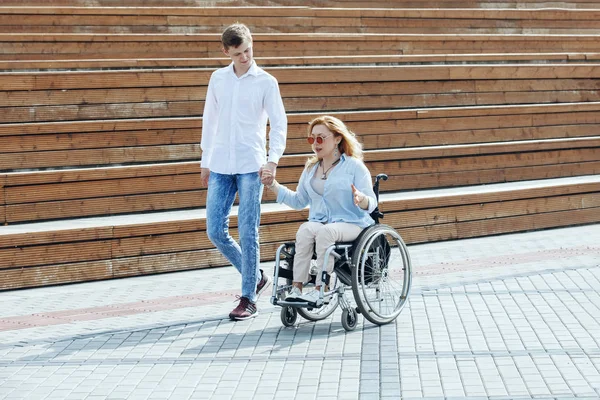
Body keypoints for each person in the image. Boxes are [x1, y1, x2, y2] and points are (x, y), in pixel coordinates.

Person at [201, 23, 287, 320]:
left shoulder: (266, 82)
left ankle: (248, 297)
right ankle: (255, 276)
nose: (245, 57)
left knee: (249, 232)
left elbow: (278, 123)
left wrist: (273, 160)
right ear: (225, 51)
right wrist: (205, 160)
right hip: (221, 165)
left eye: (248, 50)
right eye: (238, 53)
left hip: (252, 166)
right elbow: (209, 120)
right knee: (215, 230)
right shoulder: (218, 79)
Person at [261, 115, 376, 303]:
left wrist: (361, 199)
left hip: (352, 223)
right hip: (323, 222)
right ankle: (297, 288)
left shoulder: (354, 167)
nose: (316, 143)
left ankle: (322, 287)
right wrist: (273, 184)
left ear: (337, 138)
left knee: (326, 232)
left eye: (321, 138)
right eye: (312, 138)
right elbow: (299, 201)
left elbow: (372, 203)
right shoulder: (311, 168)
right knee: (305, 230)